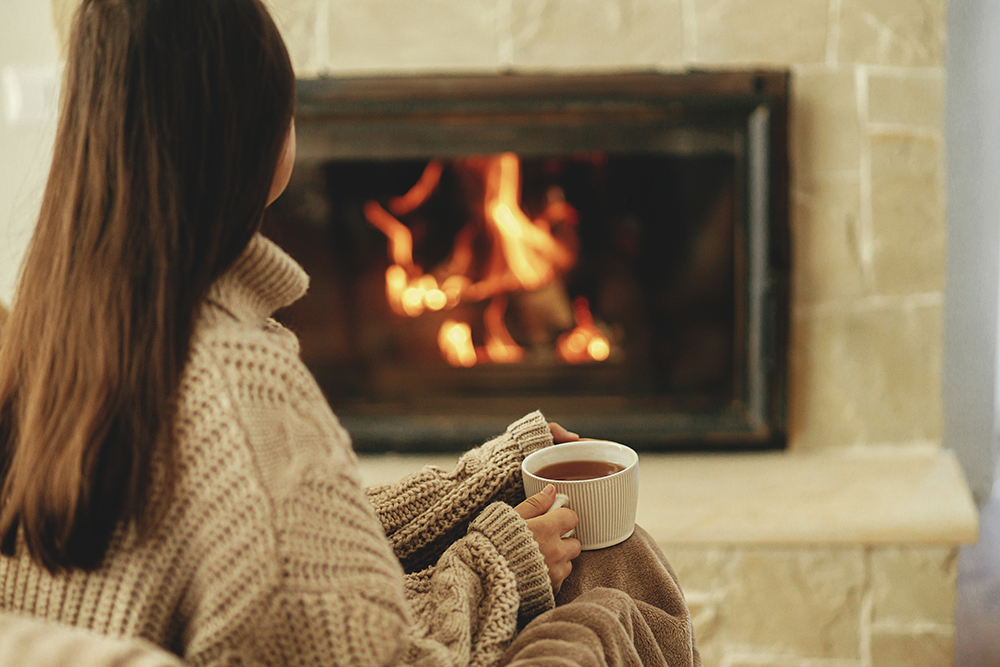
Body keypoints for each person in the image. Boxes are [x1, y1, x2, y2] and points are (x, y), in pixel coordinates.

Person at [0, 1, 699, 665]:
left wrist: (481, 477)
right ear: (251, 128)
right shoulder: (237, 381)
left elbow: (293, 544)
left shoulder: (52, 326)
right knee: (611, 571)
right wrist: (506, 559)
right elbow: (373, 650)